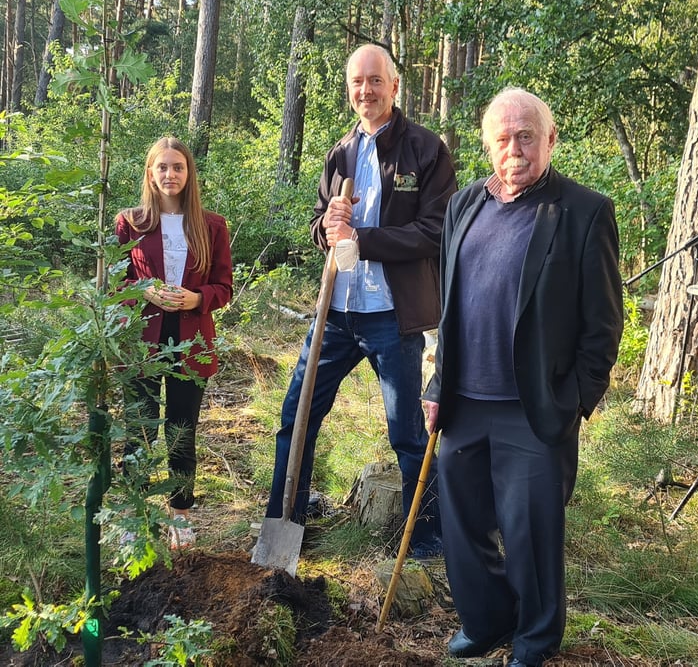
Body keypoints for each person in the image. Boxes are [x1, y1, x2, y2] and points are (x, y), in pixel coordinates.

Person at [423, 88, 623, 665]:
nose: (516, 149)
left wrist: (574, 401)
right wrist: (436, 386)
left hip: (534, 407)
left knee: (531, 534)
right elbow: (449, 306)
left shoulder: (584, 211)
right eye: (504, 138)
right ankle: (485, 622)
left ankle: (534, 639)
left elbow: (603, 323)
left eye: (527, 135)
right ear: (488, 145)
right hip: (463, 400)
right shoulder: (463, 206)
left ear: (550, 139)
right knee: (462, 528)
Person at [263, 43, 457, 558]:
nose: (365, 90)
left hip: (393, 316)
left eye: (375, 80)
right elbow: (319, 223)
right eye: (356, 82)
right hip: (336, 314)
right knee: (297, 417)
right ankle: (285, 520)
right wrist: (326, 229)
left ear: (395, 86)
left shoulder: (426, 151)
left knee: (408, 432)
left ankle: (430, 537)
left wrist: (363, 239)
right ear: (349, 90)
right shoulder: (340, 153)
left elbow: (435, 230)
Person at [116, 136, 233, 550]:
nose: (170, 174)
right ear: (150, 172)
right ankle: (134, 511)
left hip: (191, 341)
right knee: (140, 429)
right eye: (162, 167)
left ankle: (180, 513)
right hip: (141, 341)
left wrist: (199, 298)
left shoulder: (212, 226)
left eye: (178, 167)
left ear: (189, 173)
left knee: (182, 430)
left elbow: (224, 286)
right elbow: (115, 280)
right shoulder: (130, 222)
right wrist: (143, 290)